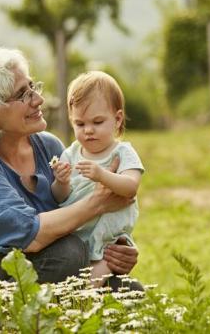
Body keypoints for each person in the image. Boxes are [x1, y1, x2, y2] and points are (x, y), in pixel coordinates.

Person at [0, 48, 139, 291]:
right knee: (68, 254)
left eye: (33, 87)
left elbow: (73, 215)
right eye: (22, 94)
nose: (38, 99)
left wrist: (116, 248)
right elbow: (30, 235)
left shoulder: (48, 146)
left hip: (28, 263)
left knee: (127, 290)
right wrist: (100, 202)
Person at [51, 70, 144, 287]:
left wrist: (103, 175)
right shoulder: (70, 153)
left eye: (98, 122)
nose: (89, 131)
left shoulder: (122, 153)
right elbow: (59, 197)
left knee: (91, 282)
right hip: (78, 230)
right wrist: (61, 182)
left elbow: (130, 187)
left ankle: (84, 301)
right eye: (80, 124)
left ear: (117, 119)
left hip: (108, 236)